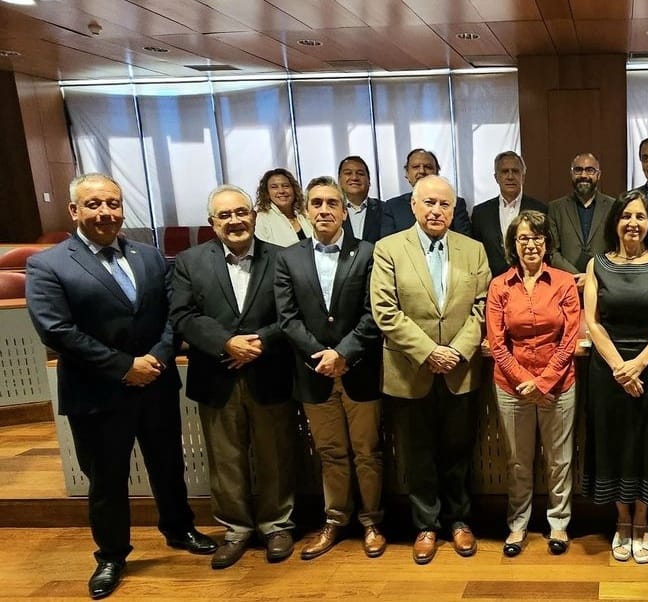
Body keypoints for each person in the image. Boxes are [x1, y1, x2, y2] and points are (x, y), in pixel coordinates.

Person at [25, 173, 216, 600]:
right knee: (106, 479)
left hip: (156, 383)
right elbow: (56, 330)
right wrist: (124, 366)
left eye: (112, 203)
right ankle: (111, 554)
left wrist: (157, 359)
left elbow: (174, 315)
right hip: (97, 392)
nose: (105, 212)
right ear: (74, 210)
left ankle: (179, 528)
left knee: (169, 464)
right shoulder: (48, 264)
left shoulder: (149, 256)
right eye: (93, 204)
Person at [170, 185, 297, 569]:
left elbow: (292, 313)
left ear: (254, 216)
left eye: (241, 212)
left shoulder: (283, 258)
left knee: (276, 456)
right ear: (212, 223)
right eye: (224, 215)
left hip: (269, 371)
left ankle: (277, 525)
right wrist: (226, 343)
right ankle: (236, 529)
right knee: (225, 459)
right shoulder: (190, 262)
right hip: (216, 375)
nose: (235, 221)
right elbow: (182, 315)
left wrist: (259, 342)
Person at [370, 174, 491, 565]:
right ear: (414, 205)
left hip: (460, 369)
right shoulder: (389, 249)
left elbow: (483, 307)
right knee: (418, 453)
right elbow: (385, 311)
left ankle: (459, 521)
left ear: (454, 210)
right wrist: (429, 352)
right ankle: (426, 526)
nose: (437, 211)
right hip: (410, 370)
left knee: (459, 451)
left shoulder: (473, 250)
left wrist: (455, 351)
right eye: (429, 203)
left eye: (444, 204)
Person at [274, 176, 385, 561]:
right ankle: (335, 519)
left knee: (367, 452)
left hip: (360, 371)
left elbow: (374, 313)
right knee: (330, 452)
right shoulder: (288, 258)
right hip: (313, 373)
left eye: (332, 203)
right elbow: (287, 318)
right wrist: (321, 355)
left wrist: (344, 353)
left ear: (344, 211)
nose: (324, 210)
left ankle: (372, 521)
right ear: (306, 210)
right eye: (317, 203)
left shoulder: (368, 253)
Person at [581, 190, 648, 564]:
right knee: (615, 443)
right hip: (608, 369)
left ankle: (642, 520)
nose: (633, 223)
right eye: (626, 216)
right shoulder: (597, 265)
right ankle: (621, 519)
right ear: (615, 222)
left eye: (640, 216)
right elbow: (592, 321)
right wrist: (619, 368)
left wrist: (637, 365)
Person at [486, 210, 580, 557]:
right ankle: (517, 525)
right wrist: (526, 381)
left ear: (547, 242)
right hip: (512, 387)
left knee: (559, 460)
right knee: (518, 461)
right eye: (523, 238)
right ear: (513, 243)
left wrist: (545, 381)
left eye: (537, 237)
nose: (530, 244)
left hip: (559, 386)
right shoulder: (499, 285)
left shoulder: (564, 282)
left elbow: (569, 339)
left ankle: (559, 524)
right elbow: (497, 343)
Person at [471, 151, 547, 276]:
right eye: (504, 171)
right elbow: (475, 254)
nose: (510, 176)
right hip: (492, 281)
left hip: (529, 279)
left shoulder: (540, 210)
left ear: (523, 176)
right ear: (496, 177)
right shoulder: (480, 213)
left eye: (515, 171)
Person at [548, 152, 616, 288]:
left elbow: (617, 249)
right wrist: (576, 277)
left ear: (598, 175)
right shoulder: (555, 208)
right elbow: (552, 252)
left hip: (604, 285)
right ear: (571, 174)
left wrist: (591, 277)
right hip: (567, 285)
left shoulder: (613, 206)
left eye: (590, 170)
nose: (584, 175)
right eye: (578, 170)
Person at [379, 148, 472, 238]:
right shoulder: (393, 206)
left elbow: (464, 243)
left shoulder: (455, 203)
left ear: (437, 173)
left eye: (428, 167)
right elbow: (387, 245)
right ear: (407, 173)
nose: (422, 171)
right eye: (416, 167)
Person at [254, 168, 313, 246]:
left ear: (294, 189)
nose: (281, 191)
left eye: (286, 186)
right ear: (267, 193)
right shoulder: (260, 220)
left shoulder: (305, 216)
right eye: (274, 187)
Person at [338, 155, 383, 244]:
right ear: (339, 180)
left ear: (369, 181)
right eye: (348, 173)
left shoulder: (385, 209)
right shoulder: (332, 211)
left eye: (360, 174)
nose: (354, 178)